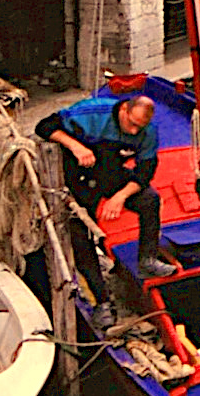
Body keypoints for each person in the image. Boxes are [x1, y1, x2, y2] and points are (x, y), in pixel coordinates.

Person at [36, 91, 178, 326]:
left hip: (110, 172)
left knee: (149, 200)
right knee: (79, 233)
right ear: (123, 110)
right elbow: (44, 126)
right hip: (78, 175)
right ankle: (102, 300)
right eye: (131, 124)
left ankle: (147, 259)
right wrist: (76, 146)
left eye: (139, 128)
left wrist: (119, 197)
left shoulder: (147, 133)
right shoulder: (91, 112)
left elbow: (145, 171)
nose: (134, 132)